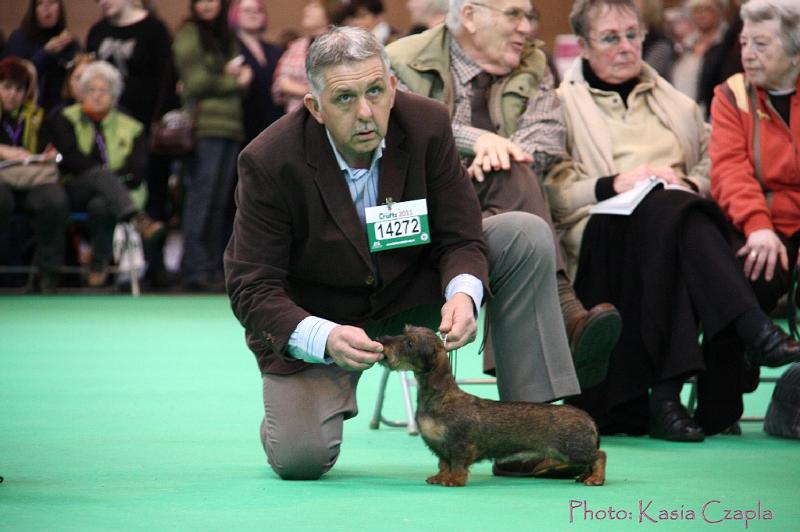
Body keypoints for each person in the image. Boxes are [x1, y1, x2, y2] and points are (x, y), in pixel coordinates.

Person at [225, 26, 583, 481]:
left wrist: (463, 295)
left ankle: (526, 438)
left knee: (523, 234)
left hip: (415, 291)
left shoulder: (427, 123)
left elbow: (460, 234)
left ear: (393, 87)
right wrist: (324, 337)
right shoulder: (269, 160)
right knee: (299, 458)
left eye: (375, 90)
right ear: (314, 107)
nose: (366, 113)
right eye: (345, 99)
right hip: (323, 320)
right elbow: (250, 285)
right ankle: (292, 413)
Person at [543, 0, 800, 442]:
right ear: (584, 47)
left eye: (633, 35)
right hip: (603, 236)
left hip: (679, 234)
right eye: (610, 38)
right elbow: (552, 192)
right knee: (672, 214)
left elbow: (711, 167)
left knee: (673, 215)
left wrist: (680, 180)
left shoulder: (677, 102)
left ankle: (665, 399)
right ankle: (752, 330)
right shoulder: (559, 106)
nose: (626, 47)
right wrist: (614, 183)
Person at [386, 0, 622, 389]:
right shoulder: (400, 61)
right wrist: (479, 142)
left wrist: (498, 153)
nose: (527, 27)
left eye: (529, 16)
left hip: (504, 212)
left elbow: (547, 136)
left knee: (514, 173)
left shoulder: (533, 64)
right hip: (425, 212)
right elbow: (405, 134)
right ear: (470, 16)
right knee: (515, 186)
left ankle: (543, 353)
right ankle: (566, 314)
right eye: (514, 14)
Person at [709, 0, 800, 327]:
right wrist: (758, 226)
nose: (747, 53)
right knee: (748, 275)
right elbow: (729, 170)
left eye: (761, 44)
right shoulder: (731, 95)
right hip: (762, 221)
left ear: (795, 53)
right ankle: (736, 370)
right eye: (745, 42)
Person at [48, 60, 164, 287]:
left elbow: (137, 169)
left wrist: (110, 180)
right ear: (80, 93)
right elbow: (71, 160)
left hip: (117, 193)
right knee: (99, 176)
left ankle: (98, 265)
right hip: (74, 189)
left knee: (102, 204)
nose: (98, 96)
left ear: (114, 95)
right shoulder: (64, 119)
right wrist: (104, 175)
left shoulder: (131, 126)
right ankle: (138, 219)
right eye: (91, 90)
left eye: (104, 90)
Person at [86, 0, 176, 289]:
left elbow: (166, 80)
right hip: (103, 128)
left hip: (145, 129)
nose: (103, 2)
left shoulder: (154, 29)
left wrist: (155, 125)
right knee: (107, 189)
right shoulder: (97, 31)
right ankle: (112, 266)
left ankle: (155, 265)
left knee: (154, 194)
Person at [173, 0, 251, 291]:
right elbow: (194, 83)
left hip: (231, 127)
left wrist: (233, 79)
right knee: (201, 199)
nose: (207, 5)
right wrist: (233, 81)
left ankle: (211, 268)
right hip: (204, 127)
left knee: (220, 202)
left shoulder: (226, 35)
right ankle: (193, 268)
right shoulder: (189, 33)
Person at [0, 57, 68, 293]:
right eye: (7, 87)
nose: (13, 95)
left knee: (54, 200)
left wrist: (48, 154)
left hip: (32, 181)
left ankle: (49, 273)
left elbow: (48, 149)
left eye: (19, 89)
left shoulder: (38, 116)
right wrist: (3, 150)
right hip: (3, 183)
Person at [4, 0, 80, 114]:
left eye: (52, 3)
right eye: (40, 4)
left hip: (60, 112)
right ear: (33, 10)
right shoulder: (19, 39)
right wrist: (46, 53)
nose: (46, 8)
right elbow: (16, 78)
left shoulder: (69, 43)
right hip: (25, 110)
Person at [230, 0, 284, 144]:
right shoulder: (229, 49)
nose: (253, 14)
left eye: (258, 10)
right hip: (242, 120)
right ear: (236, 14)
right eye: (247, 10)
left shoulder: (275, 50)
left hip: (272, 120)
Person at [271, 1, 330, 113]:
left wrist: (296, 87)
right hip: (295, 114)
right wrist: (307, 90)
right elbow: (280, 80)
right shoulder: (296, 46)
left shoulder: (338, 45)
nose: (307, 10)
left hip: (326, 112)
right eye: (307, 6)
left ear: (328, 12)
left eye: (314, 6)